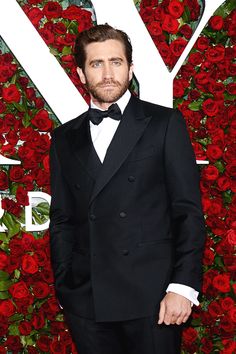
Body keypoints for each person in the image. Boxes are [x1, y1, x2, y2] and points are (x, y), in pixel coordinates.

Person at [49, 24, 205, 354]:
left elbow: (187, 212)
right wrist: (66, 287)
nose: (108, 74)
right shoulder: (64, 138)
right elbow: (62, 218)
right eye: (96, 64)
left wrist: (183, 285)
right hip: (87, 302)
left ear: (130, 69)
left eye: (116, 62)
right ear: (81, 73)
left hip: (154, 299)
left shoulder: (164, 123)